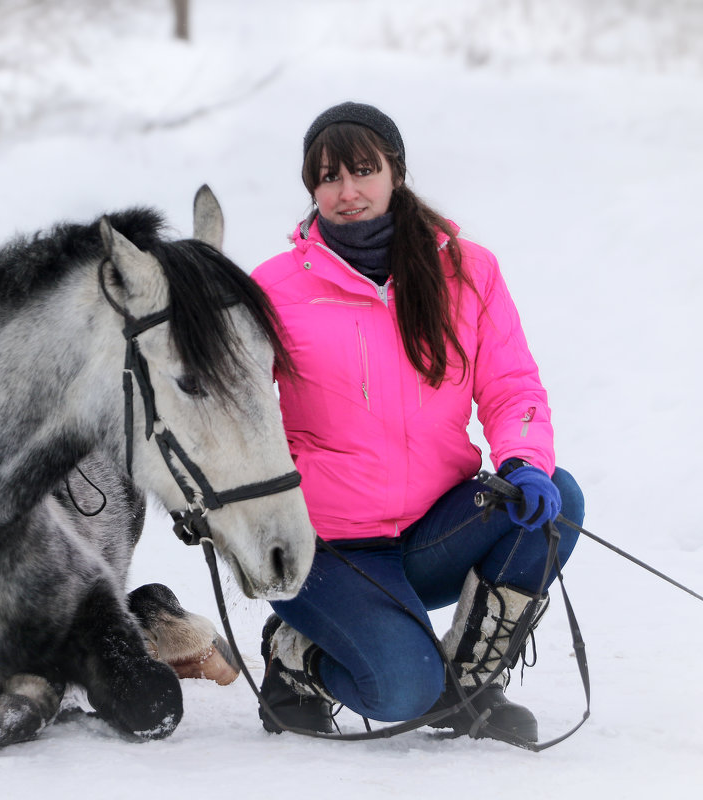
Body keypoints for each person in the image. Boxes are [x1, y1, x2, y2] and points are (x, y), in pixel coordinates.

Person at [249, 101, 585, 744]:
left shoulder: (468, 269)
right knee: (402, 690)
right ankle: (296, 659)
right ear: (311, 189)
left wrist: (522, 461)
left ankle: (468, 687)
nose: (347, 193)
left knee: (557, 498)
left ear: (395, 172)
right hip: (327, 547)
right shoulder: (274, 289)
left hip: (435, 527)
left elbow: (512, 385)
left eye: (363, 171)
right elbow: (224, 412)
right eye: (327, 179)